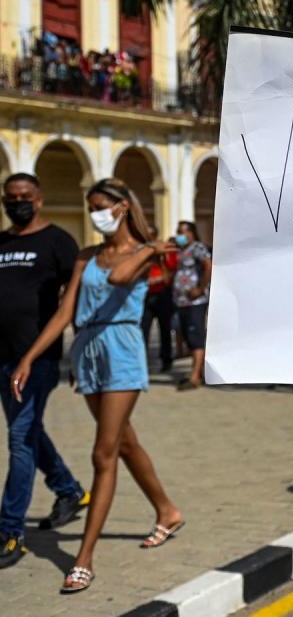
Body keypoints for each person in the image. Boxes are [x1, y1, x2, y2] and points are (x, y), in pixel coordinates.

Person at [10, 178, 183, 593]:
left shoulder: (144, 252)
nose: (94, 215)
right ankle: (167, 510)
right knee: (123, 442)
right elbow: (64, 312)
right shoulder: (86, 257)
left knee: (102, 453)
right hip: (87, 349)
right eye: (90, 208)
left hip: (122, 348)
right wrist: (29, 358)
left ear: (122, 207)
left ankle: (84, 559)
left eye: (101, 206)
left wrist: (144, 250)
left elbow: (122, 278)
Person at [0, 174, 89, 569]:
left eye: (24, 197)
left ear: (38, 200)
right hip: (1, 358)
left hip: (37, 359)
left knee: (19, 439)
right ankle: (68, 489)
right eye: (10, 197)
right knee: (30, 431)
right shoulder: (1, 242)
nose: (17, 203)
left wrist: (80, 355)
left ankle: (10, 530)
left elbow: (77, 301)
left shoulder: (58, 242)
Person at [171, 221, 212, 390]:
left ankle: (194, 377)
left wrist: (201, 288)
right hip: (181, 301)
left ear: (192, 233)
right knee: (187, 335)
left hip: (196, 300)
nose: (181, 235)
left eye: (184, 232)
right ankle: (199, 372)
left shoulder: (198, 248)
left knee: (196, 336)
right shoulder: (181, 251)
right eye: (178, 232)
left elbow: (209, 266)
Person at [140, 225, 176, 371]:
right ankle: (141, 361)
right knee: (143, 330)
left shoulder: (166, 251)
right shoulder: (141, 251)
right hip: (146, 295)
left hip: (163, 295)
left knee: (165, 329)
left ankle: (166, 360)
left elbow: (172, 271)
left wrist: (160, 278)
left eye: (150, 237)